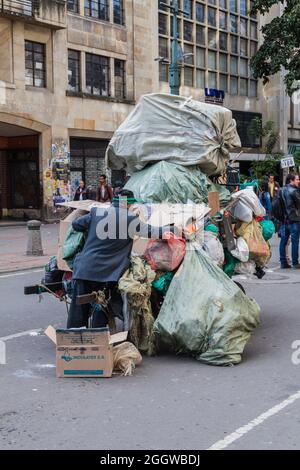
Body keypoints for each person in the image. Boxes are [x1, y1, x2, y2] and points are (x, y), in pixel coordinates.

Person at [67, 189, 179, 330]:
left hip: (84, 268)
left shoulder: (97, 212)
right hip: (107, 273)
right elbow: (152, 231)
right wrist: (177, 230)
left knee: (78, 309)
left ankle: (71, 340)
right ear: (128, 204)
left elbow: (76, 225)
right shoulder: (130, 218)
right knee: (101, 305)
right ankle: (97, 339)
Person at [279, 173, 300, 269]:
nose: (298, 181)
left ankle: (283, 262)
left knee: (283, 241)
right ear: (291, 180)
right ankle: (295, 263)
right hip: (294, 220)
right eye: (297, 179)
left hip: (284, 220)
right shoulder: (294, 191)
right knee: (295, 241)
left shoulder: (281, 190)